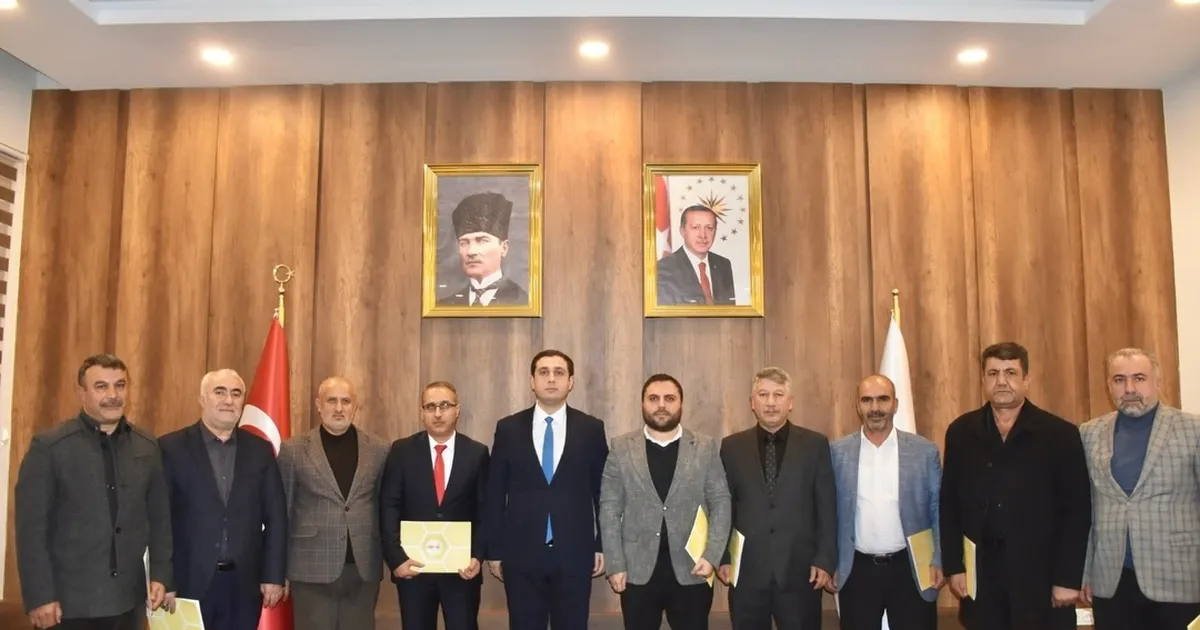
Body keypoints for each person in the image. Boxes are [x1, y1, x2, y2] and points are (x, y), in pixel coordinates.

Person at [939, 342, 1091, 630]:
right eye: (993, 373)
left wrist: (1067, 579)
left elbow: (1077, 512)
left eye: (1010, 372)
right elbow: (949, 504)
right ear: (983, 380)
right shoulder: (961, 432)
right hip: (982, 577)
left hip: (1042, 577)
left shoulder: (1060, 434)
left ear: (1026, 379)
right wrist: (954, 567)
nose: (1001, 381)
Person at [14, 354, 172, 630]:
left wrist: (161, 574)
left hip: (129, 602)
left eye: (120, 385)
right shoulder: (50, 448)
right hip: (69, 605)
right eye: (101, 387)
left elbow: (160, 519)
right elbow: (31, 530)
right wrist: (40, 596)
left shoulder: (146, 446)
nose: (113, 395)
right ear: (82, 393)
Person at [483, 349, 609, 629]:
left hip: (575, 553)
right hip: (521, 555)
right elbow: (495, 493)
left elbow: (603, 493)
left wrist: (602, 544)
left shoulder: (591, 429)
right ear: (532, 381)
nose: (551, 379)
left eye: (559, 372)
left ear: (571, 382)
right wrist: (494, 550)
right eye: (543, 372)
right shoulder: (508, 428)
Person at [599, 373, 732, 630]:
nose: (661, 405)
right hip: (636, 573)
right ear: (642, 404)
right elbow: (609, 507)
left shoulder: (704, 447)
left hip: (693, 570)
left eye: (669, 399)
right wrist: (615, 564)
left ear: (681, 404)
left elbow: (721, 502)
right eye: (653, 399)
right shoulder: (621, 447)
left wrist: (712, 556)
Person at [158, 368, 288, 630]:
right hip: (188, 582)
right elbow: (161, 519)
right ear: (202, 399)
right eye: (220, 392)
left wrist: (273, 575)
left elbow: (276, 516)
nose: (229, 400)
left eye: (236, 394)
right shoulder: (170, 448)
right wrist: (164, 579)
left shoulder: (260, 450)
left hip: (244, 584)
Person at [1079, 348, 1200, 629]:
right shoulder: (1088, 433)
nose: (1130, 388)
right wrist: (1084, 572)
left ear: (1158, 381)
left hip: (1180, 579)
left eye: (1139, 378)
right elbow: (1084, 509)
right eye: (1119, 380)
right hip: (1112, 582)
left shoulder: (1193, 430)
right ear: (1109, 385)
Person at [717, 366, 836, 630]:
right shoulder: (732, 447)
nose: (771, 402)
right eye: (763, 395)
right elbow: (725, 507)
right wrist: (723, 557)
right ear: (752, 402)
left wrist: (825, 559)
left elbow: (826, 508)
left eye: (778, 395)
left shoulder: (815, 445)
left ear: (790, 402)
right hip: (747, 573)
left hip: (801, 573)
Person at [828, 374, 943, 630]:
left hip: (911, 568)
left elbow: (938, 509)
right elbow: (827, 513)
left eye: (883, 399)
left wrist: (939, 560)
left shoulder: (924, 451)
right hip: (857, 569)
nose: (875, 408)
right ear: (858, 406)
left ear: (895, 404)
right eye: (867, 400)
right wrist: (829, 561)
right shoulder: (837, 453)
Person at [278, 376, 390, 630]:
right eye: (331, 401)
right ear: (319, 405)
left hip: (362, 570)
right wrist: (277, 570)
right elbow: (282, 512)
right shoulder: (293, 450)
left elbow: (384, 506)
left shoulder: (379, 449)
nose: (339, 408)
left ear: (355, 406)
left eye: (346, 401)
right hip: (310, 570)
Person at [379, 381, 490, 630]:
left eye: (445, 405)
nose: (438, 413)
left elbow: (485, 510)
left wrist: (477, 555)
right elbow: (389, 506)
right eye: (430, 407)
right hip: (413, 569)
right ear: (422, 412)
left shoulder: (476, 453)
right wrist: (396, 559)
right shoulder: (401, 451)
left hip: (462, 570)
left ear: (457, 410)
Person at [437, 191, 529, 306]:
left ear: (504, 248)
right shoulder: (445, 306)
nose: (471, 251)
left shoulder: (523, 303)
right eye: (464, 243)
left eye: (482, 240)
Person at [656, 205, 736, 306]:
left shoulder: (723, 265)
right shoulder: (664, 268)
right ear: (682, 231)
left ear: (715, 232)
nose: (703, 235)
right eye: (695, 227)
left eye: (709, 228)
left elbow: (729, 310)